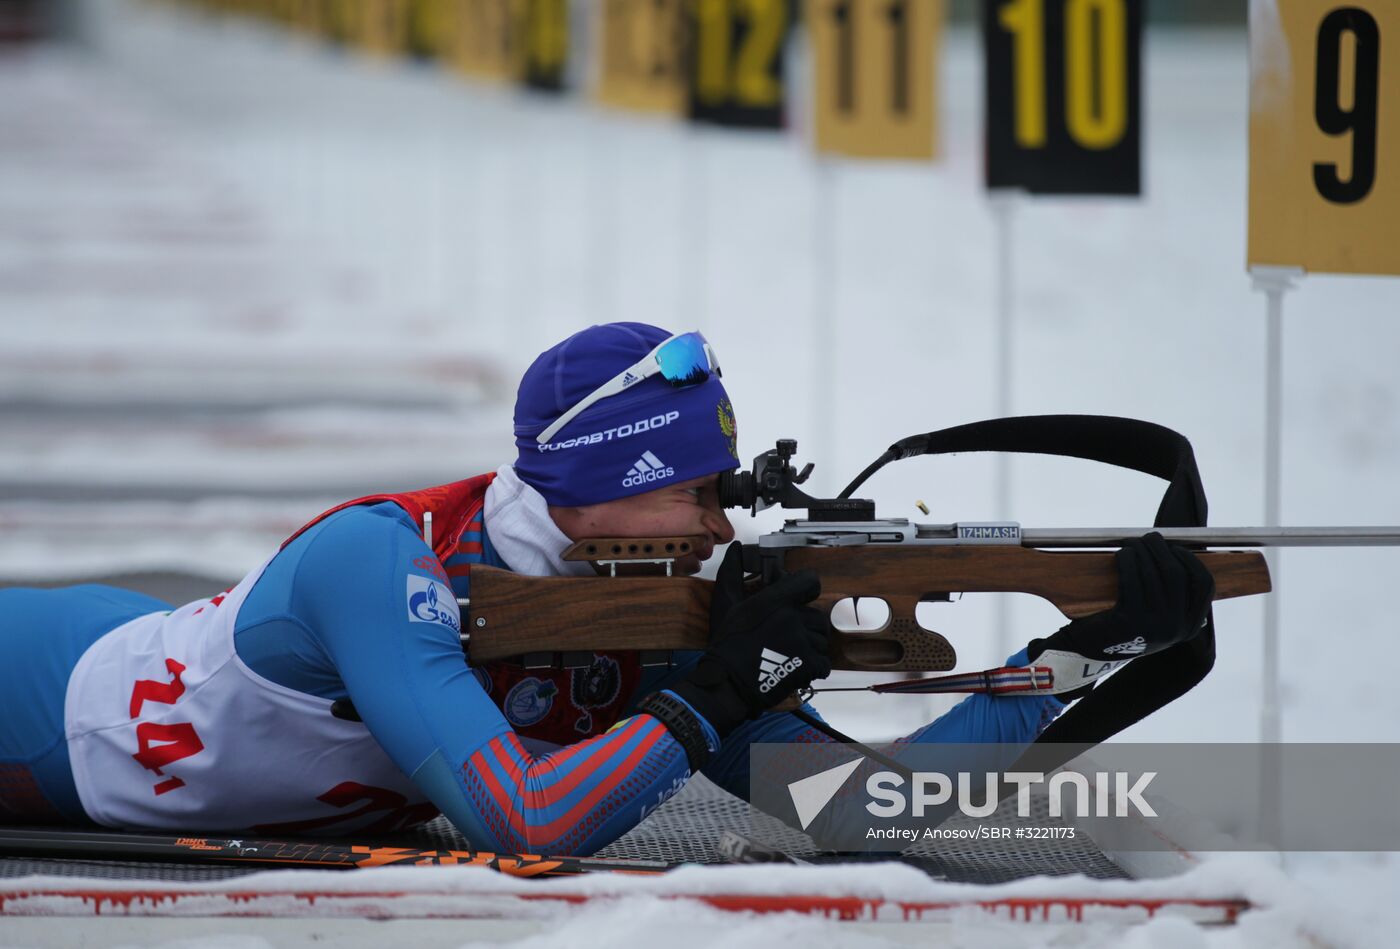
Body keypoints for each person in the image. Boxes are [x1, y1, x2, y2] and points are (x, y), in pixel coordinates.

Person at [0, 323, 1213, 855]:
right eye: (690, 491)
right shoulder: (383, 562)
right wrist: (707, 705)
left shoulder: (651, 613)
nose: (718, 524)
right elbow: (521, 821)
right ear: (592, 487)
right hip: (46, 704)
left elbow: (865, 816)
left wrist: (1074, 657)